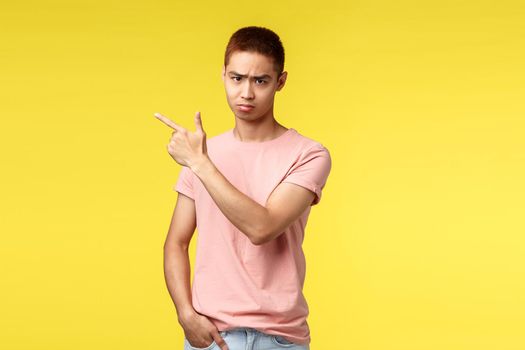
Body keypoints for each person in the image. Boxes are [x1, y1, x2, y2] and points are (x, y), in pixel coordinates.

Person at [158, 26, 332, 350]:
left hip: (280, 341)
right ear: (223, 75)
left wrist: (200, 164)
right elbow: (176, 243)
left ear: (280, 82)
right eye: (236, 78)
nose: (246, 93)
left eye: (260, 81)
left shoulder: (309, 154)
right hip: (212, 340)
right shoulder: (204, 153)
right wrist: (185, 314)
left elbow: (262, 227)